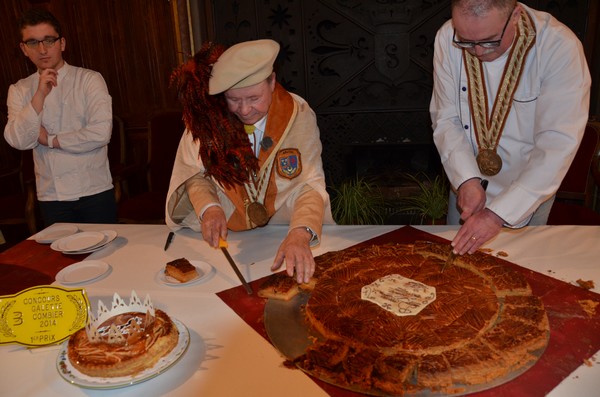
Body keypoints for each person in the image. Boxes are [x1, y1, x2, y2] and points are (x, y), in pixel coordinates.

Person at [167, 40, 334, 283]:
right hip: (230, 235)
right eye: (233, 100)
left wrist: (299, 233)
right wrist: (209, 208)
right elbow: (195, 175)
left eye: (254, 98)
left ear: (272, 81)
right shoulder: (207, 120)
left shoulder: (298, 115)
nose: (244, 110)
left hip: (284, 231)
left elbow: (309, 184)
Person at [430, 0, 590, 255]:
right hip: (466, 179)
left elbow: (557, 143)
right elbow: (446, 118)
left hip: (529, 190)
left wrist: (498, 215)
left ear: (515, 14)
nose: (478, 51)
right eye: (466, 41)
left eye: (490, 40)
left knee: (523, 272)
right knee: (458, 275)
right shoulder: (446, 37)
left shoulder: (558, 47)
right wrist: (467, 180)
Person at [4, 8, 116, 227]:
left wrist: (50, 140)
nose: (43, 49)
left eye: (49, 40)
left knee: (108, 256)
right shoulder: (19, 90)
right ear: (24, 49)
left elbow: (100, 133)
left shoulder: (89, 80)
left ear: (62, 43)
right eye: (33, 43)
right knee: (61, 260)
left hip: (95, 189)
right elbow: (18, 140)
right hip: (52, 196)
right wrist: (39, 96)